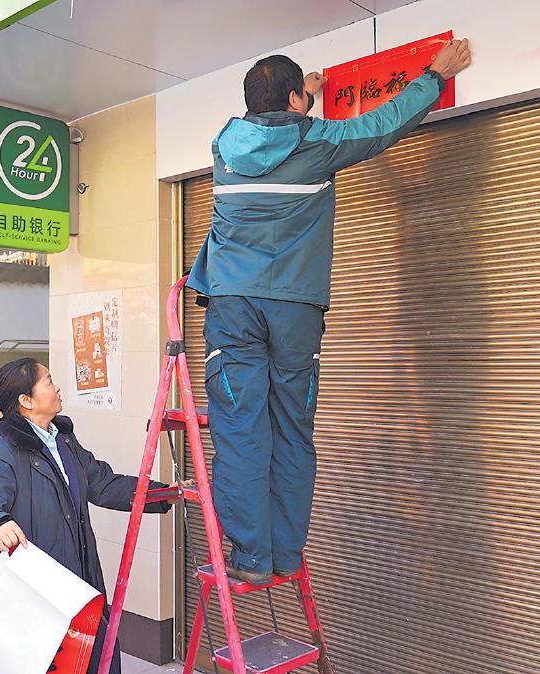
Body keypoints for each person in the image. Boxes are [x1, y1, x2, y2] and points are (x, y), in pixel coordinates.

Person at [185, 40, 473, 585]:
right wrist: (435, 76)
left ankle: (251, 557)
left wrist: (301, 99)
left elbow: (271, 132)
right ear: (296, 99)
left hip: (232, 305)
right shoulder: (318, 142)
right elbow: (383, 124)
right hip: (294, 308)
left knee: (241, 432)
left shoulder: (223, 146)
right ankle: (287, 554)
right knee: (292, 430)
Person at [0, 358, 172, 674]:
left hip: (78, 581)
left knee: (92, 660)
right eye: (48, 381)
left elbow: (103, 484)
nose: (56, 387)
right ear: (26, 400)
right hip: (35, 596)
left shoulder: (63, 441)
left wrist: (164, 494)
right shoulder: (2, 452)